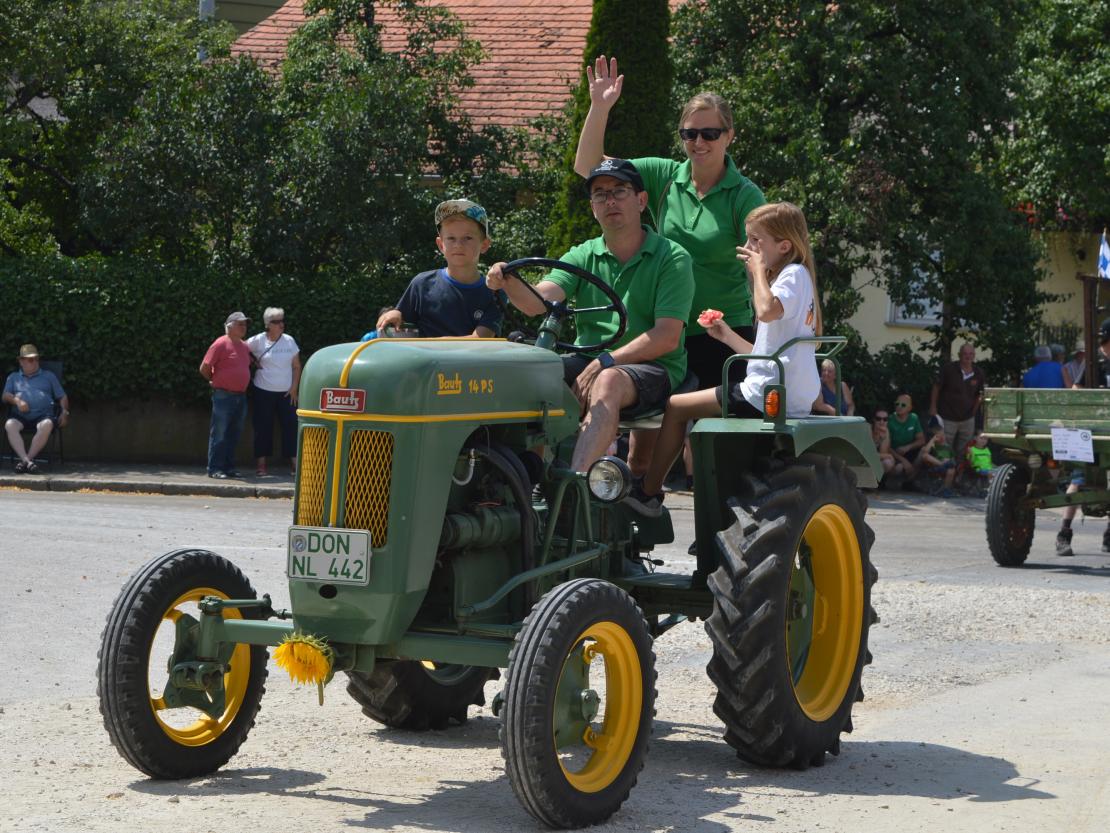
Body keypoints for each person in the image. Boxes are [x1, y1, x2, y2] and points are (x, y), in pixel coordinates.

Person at [487, 158, 694, 475]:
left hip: (654, 367)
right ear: (593, 207)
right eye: (600, 194)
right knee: (532, 372)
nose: (610, 200)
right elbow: (538, 302)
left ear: (641, 200)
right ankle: (524, 478)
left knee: (608, 381)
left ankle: (575, 485)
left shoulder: (672, 257)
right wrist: (509, 282)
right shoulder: (583, 254)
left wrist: (605, 361)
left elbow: (666, 337)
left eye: (619, 191)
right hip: (592, 361)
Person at [574, 56, 765, 396]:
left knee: (704, 439)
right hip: (660, 330)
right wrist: (599, 108)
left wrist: (767, 331)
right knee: (645, 442)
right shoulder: (664, 175)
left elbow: (759, 265)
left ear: (729, 136)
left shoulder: (744, 196)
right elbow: (590, 168)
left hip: (719, 331)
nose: (699, 142)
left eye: (710, 133)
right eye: (689, 134)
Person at [623, 201, 821, 516]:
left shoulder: (792, 275)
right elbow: (766, 355)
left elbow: (766, 310)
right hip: (781, 388)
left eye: (757, 241)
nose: (748, 248)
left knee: (676, 407)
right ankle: (715, 506)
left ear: (784, 246)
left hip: (766, 392)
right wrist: (726, 334)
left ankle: (647, 491)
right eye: (748, 239)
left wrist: (757, 272)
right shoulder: (793, 278)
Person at [376, 200, 502, 339]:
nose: (458, 245)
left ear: (484, 244)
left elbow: (480, 341)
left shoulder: (494, 292)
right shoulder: (422, 283)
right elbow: (400, 319)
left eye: (467, 238)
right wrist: (395, 314)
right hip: (425, 361)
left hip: (470, 361)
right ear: (441, 244)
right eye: (451, 238)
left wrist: (432, 344)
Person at [1056, 319, 1110, 556]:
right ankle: (1064, 534)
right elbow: (1076, 389)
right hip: (1092, 430)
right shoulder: (1095, 362)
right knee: (1078, 480)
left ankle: (1109, 535)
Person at [248, 307, 301, 477]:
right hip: (263, 391)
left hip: (286, 392)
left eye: (282, 321)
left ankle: (294, 463)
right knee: (262, 427)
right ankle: (261, 465)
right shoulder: (257, 340)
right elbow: (240, 349)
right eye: (277, 322)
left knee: (291, 426)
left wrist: (294, 388)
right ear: (268, 324)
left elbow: (296, 366)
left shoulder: (289, 340)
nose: (281, 324)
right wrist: (253, 361)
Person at [200, 312, 252, 479]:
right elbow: (204, 367)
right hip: (223, 395)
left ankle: (229, 467)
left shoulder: (244, 346)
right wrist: (214, 380)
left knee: (234, 434)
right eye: (240, 324)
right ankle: (214, 468)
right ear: (229, 327)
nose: (244, 327)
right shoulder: (220, 344)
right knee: (220, 433)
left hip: (240, 396)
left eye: (245, 324)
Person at [3, 343, 68, 473]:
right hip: (20, 415)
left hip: (43, 415)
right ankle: (28, 462)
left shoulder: (49, 376)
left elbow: (62, 397)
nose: (35, 362)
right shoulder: (13, 377)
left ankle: (25, 461)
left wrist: (64, 413)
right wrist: (17, 401)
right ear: (21, 361)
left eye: (36, 359)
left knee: (47, 424)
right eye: (30, 359)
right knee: (10, 424)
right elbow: (5, 396)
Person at [928, 342, 987, 457]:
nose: (968, 356)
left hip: (967, 419)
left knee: (965, 449)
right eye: (965, 353)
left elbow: (980, 395)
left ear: (974, 355)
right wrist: (933, 406)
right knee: (944, 447)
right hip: (947, 417)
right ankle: (944, 472)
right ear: (959, 355)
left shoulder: (979, 372)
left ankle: (959, 473)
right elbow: (936, 387)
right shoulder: (949, 369)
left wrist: (973, 412)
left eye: (971, 354)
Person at [888, 393, 926, 484]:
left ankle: (909, 482)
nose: (899, 407)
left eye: (903, 405)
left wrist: (908, 447)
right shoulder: (889, 420)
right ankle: (889, 482)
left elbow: (921, 440)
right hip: (894, 453)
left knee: (924, 452)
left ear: (910, 408)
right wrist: (903, 460)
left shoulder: (914, 418)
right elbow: (886, 446)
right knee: (899, 468)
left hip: (909, 451)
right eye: (897, 404)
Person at [919, 421, 957, 498]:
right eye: (939, 436)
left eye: (943, 435)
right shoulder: (933, 446)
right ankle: (941, 464)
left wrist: (948, 460)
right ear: (934, 437)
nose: (942, 437)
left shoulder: (948, 447)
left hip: (947, 467)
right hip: (935, 466)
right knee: (925, 455)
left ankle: (946, 489)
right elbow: (925, 452)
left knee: (951, 469)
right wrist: (932, 441)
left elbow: (953, 460)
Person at [870, 410, 899, 483]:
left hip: (874, 462)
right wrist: (889, 456)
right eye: (878, 419)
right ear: (874, 419)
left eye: (885, 419)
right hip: (863, 462)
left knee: (888, 463)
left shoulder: (886, 431)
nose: (882, 422)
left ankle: (875, 482)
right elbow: (868, 454)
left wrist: (882, 438)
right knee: (889, 459)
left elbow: (883, 452)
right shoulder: (868, 429)